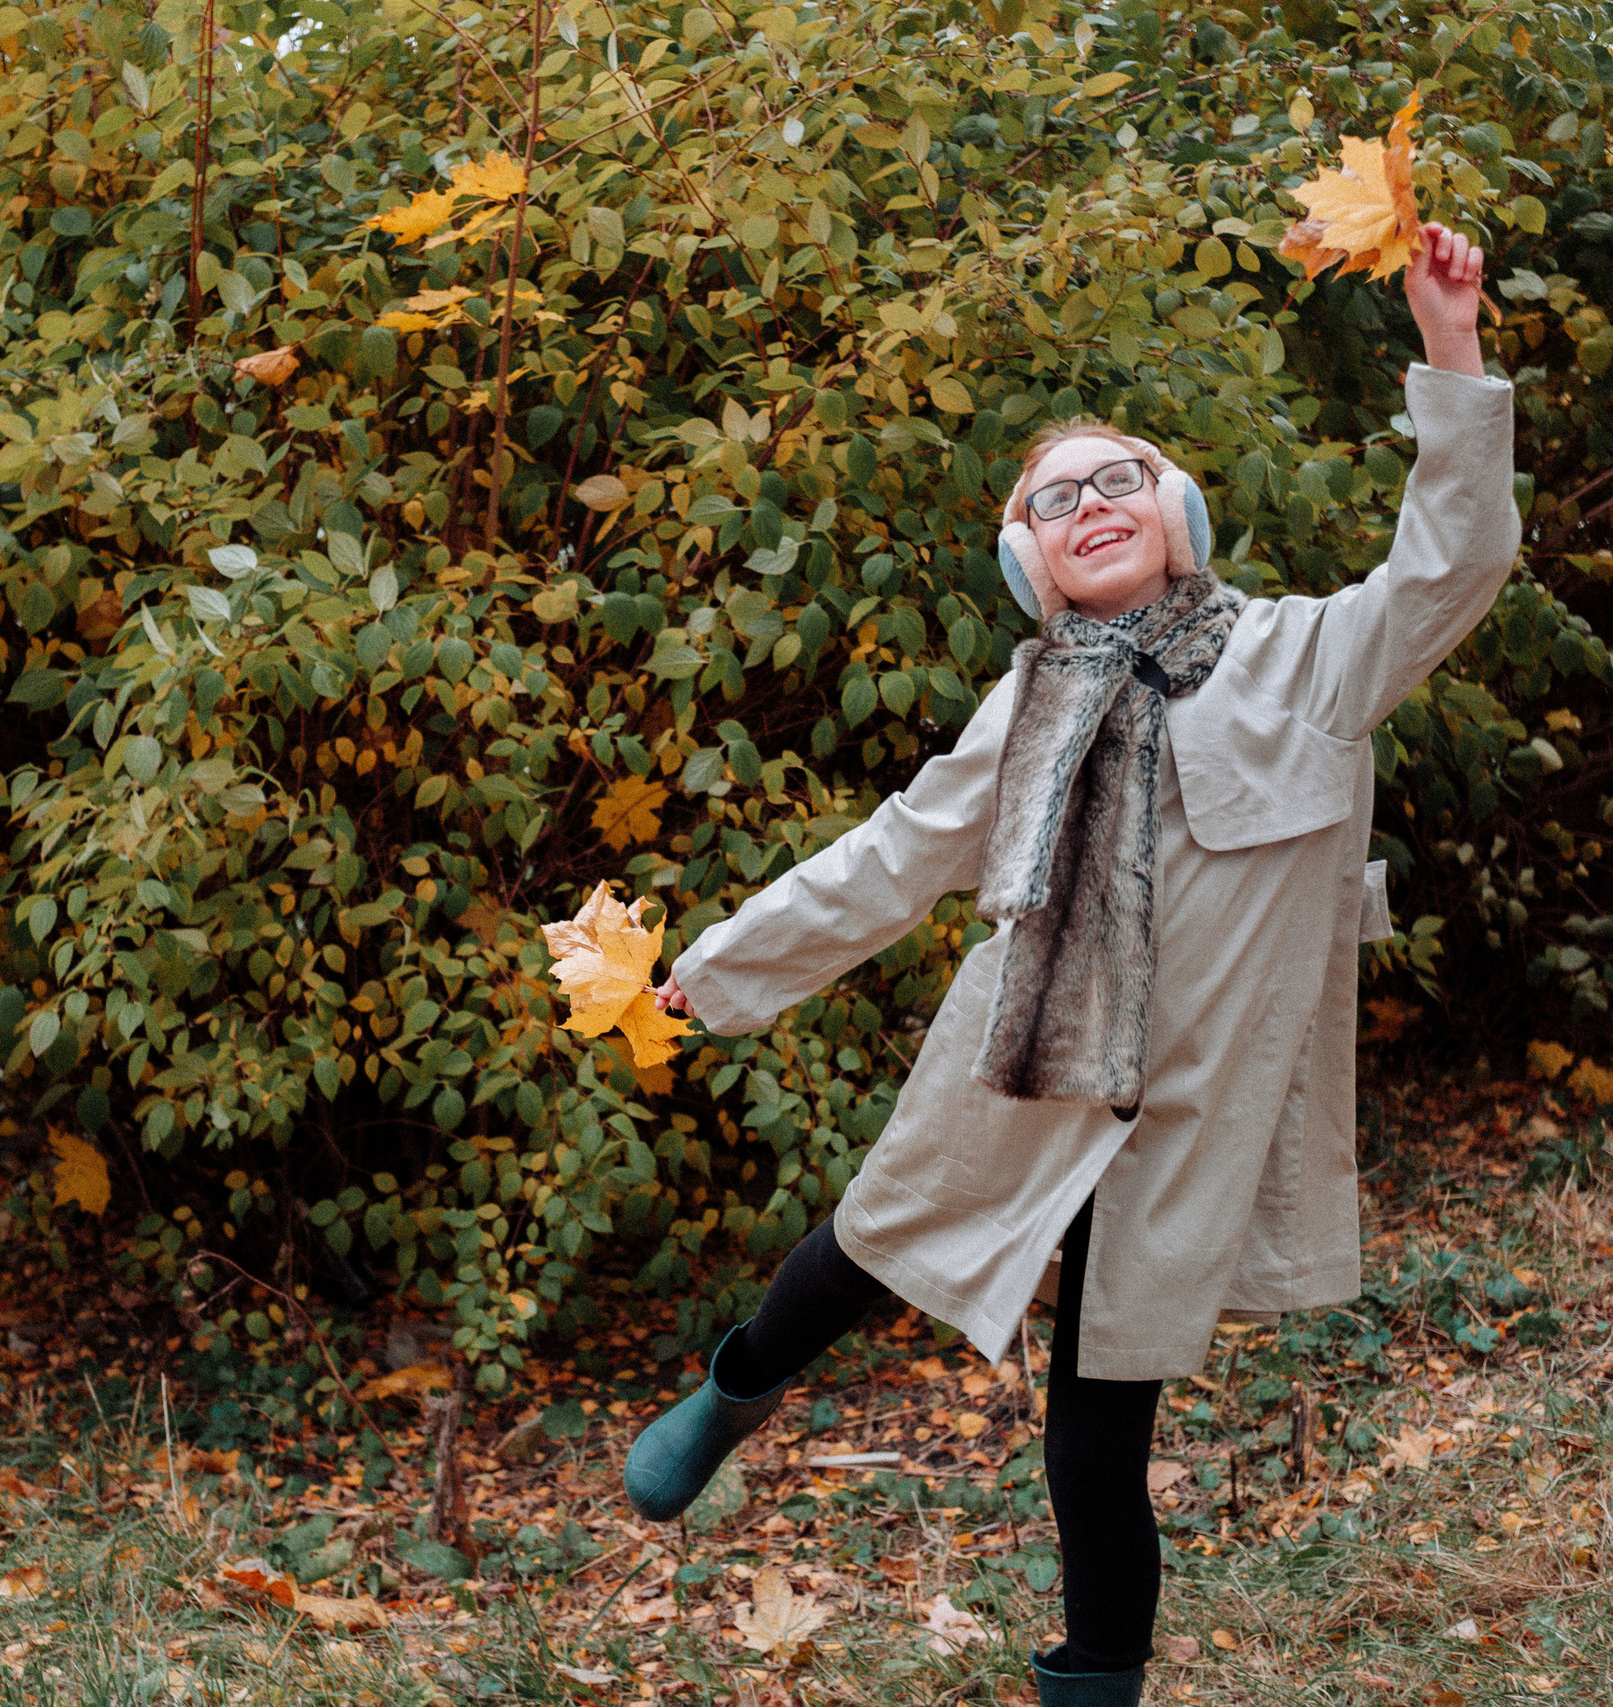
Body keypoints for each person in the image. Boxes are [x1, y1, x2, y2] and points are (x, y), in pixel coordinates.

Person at [625, 226, 1513, 1704]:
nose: (1092, 503)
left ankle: (1095, 1681)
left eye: (1122, 479)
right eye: (1056, 498)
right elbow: (895, 856)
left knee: (1097, 1447)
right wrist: (718, 970)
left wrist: (1450, 342)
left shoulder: (1309, 661)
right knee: (864, 1246)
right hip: (1025, 1057)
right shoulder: (1022, 705)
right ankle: (734, 1392)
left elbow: (1455, 557)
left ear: (1182, 511)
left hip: (1187, 1114)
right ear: (1026, 558)